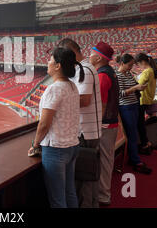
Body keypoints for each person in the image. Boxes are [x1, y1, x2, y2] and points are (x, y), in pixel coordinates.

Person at [28, 47, 84, 208]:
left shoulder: (54, 89)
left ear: (58, 65)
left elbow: (45, 123)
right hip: (72, 146)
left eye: (51, 60)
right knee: (69, 192)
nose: (48, 62)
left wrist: (35, 144)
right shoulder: (72, 87)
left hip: (56, 148)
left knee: (57, 199)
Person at [58, 38, 102, 208]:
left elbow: (84, 100)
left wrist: (59, 102)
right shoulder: (84, 68)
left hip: (86, 132)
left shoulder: (85, 69)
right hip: (87, 130)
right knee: (87, 177)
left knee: (84, 179)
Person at [89, 41, 119, 207]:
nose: (89, 55)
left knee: (105, 161)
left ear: (99, 58)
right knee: (107, 159)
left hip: (105, 125)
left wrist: (94, 125)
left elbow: (100, 104)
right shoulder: (109, 72)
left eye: (92, 53)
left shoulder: (102, 75)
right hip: (110, 124)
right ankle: (103, 193)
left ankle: (103, 196)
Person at [115, 54, 151, 174]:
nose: (131, 67)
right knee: (132, 134)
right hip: (126, 107)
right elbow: (120, 94)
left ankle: (134, 157)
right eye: (129, 65)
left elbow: (133, 85)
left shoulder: (128, 73)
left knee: (134, 133)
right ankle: (135, 160)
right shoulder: (118, 75)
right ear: (122, 64)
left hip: (134, 105)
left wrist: (138, 87)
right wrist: (135, 88)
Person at [134, 53, 157, 155]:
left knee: (140, 124)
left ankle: (144, 143)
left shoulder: (147, 72)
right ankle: (146, 142)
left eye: (138, 64)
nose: (138, 67)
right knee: (141, 123)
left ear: (142, 62)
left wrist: (134, 78)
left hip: (142, 99)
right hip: (147, 99)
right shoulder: (152, 70)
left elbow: (139, 85)